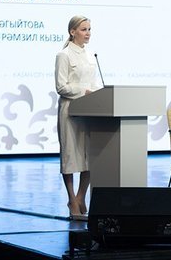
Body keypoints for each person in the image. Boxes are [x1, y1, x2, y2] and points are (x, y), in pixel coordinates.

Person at [54, 15, 102, 219]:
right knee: (70, 156)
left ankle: (81, 196)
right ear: (72, 32)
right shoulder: (63, 55)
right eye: (84, 29)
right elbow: (61, 87)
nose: (88, 33)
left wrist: (100, 93)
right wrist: (84, 91)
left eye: (89, 29)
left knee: (89, 156)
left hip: (89, 111)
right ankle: (72, 199)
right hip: (70, 110)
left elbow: (94, 83)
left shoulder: (91, 56)